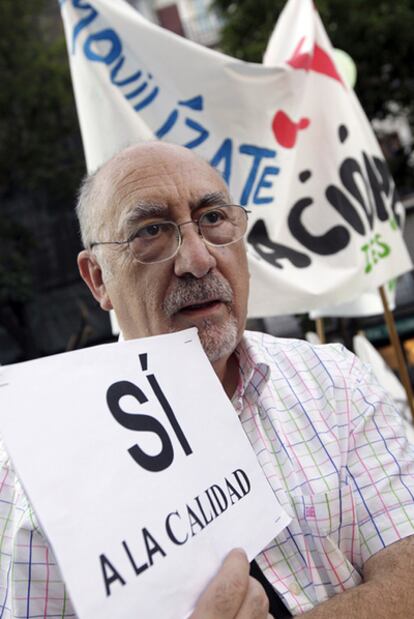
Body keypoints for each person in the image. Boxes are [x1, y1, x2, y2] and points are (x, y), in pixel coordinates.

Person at [1, 141, 413, 618]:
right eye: (151, 230)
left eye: (214, 219)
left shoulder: (336, 382)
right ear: (97, 279)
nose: (197, 260)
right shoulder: (33, 481)